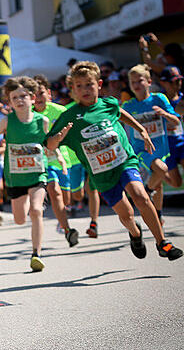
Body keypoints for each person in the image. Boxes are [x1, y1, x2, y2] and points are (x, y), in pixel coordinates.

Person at [46, 61, 182, 262]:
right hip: (102, 175)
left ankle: (162, 243)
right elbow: (49, 145)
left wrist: (141, 129)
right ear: (72, 88)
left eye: (89, 84)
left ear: (99, 84)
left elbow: (120, 113)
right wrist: (58, 137)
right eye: (79, 86)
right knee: (126, 214)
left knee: (140, 196)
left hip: (124, 161)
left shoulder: (108, 104)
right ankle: (135, 234)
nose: (85, 89)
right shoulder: (69, 116)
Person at [0, 77, 78, 273]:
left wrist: (59, 158)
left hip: (38, 174)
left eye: (23, 96)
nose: (20, 100)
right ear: (10, 102)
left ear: (32, 98)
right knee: (20, 219)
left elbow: (48, 144)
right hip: (15, 178)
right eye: (15, 97)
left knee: (37, 210)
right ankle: (33, 242)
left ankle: (36, 254)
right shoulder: (7, 121)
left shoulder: (43, 121)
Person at [122, 64, 176, 223]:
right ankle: (146, 191)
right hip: (141, 150)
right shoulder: (128, 106)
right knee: (161, 169)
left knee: (158, 184)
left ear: (149, 81)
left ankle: (157, 214)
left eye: (140, 81)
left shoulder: (159, 99)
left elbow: (175, 121)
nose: (136, 85)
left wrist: (164, 113)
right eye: (133, 83)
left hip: (161, 149)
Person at [33, 75, 81, 239]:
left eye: (41, 93)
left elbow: (76, 131)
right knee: (54, 191)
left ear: (49, 94)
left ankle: (62, 219)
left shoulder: (61, 111)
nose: (38, 98)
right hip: (42, 161)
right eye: (34, 95)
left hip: (64, 160)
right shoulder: (28, 115)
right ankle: (67, 229)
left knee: (69, 198)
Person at [158, 66, 184, 188]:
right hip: (167, 147)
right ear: (163, 83)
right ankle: (158, 173)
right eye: (174, 81)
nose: (178, 83)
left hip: (182, 142)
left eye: (179, 79)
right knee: (176, 183)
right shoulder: (158, 100)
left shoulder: (182, 98)